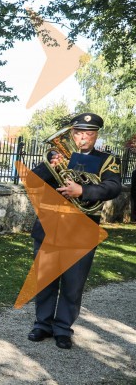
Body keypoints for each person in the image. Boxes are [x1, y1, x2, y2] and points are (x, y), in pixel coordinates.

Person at [27, 112, 121, 349]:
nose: (83, 138)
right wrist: (52, 166)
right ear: (71, 134)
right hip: (51, 227)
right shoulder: (56, 156)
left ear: (96, 135)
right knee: (45, 280)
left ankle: (62, 329)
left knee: (73, 283)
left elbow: (113, 187)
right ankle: (42, 325)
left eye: (89, 134)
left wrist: (83, 192)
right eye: (78, 133)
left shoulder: (107, 160)